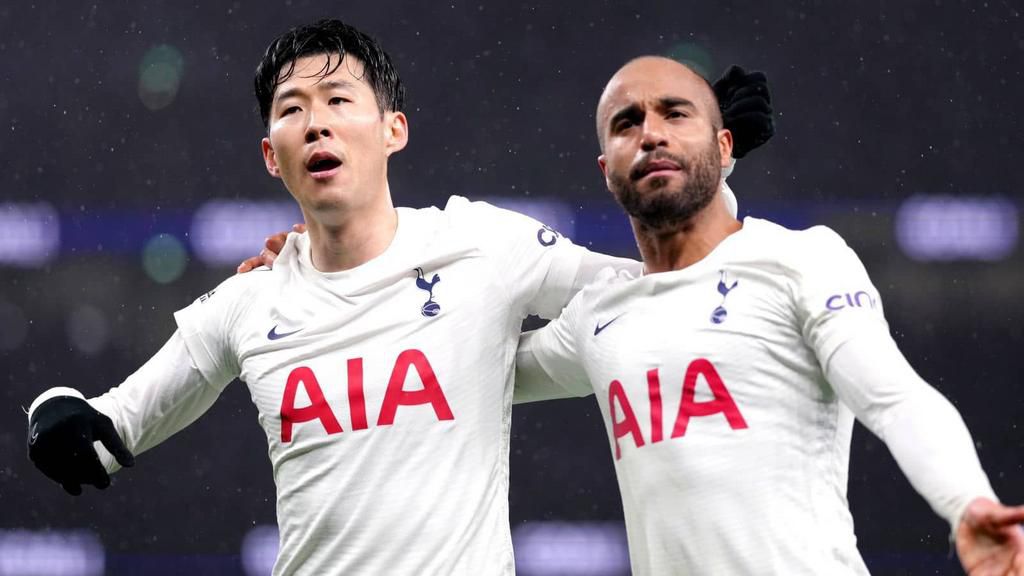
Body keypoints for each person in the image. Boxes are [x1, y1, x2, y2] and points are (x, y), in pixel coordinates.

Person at [24, 20, 771, 576]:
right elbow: (103, 425)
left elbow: (659, 290)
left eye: (338, 98)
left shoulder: (482, 246)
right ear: (270, 155)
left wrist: (712, 169)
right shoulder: (245, 305)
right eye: (291, 108)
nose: (314, 119)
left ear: (393, 130)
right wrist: (48, 417)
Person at [513, 55, 1024, 575]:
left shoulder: (801, 261)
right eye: (627, 123)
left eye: (676, 114)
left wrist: (966, 500)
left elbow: (894, 397)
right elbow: (469, 365)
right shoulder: (597, 313)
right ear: (606, 169)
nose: (651, 134)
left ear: (724, 145)